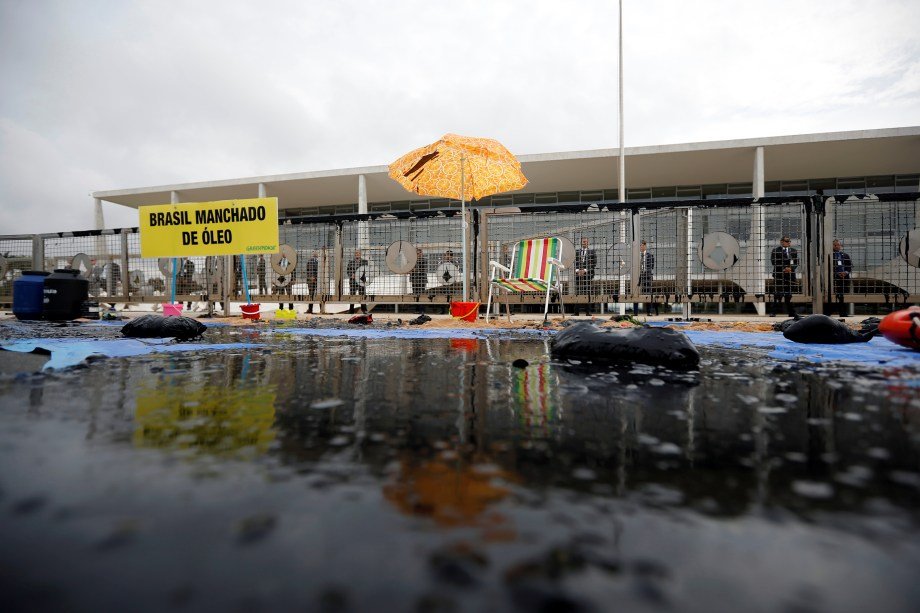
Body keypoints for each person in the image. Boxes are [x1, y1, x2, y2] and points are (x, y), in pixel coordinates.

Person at [770, 236, 798, 317]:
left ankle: (791, 312)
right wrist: (784, 268)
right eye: (786, 241)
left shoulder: (793, 251)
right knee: (777, 294)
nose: (788, 242)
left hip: (790, 276)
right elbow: (774, 262)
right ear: (781, 242)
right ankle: (773, 312)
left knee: (788, 295)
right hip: (779, 275)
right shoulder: (776, 251)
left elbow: (795, 262)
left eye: (789, 241)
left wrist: (790, 268)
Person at [574, 237, 597, 315]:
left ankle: (588, 312)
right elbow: (574, 262)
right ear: (581, 243)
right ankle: (576, 312)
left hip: (588, 275)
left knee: (588, 292)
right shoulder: (577, 252)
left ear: (588, 243)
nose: (584, 243)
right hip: (578, 275)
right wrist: (577, 271)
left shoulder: (592, 252)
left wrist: (585, 270)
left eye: (586, 241)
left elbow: (594, 263)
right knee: (578, 292)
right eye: (583, 242)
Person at [634, 240, 657, 316]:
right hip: (639, 276)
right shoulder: (636, 256)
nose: (641, 247)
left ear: (645, 246)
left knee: (648, 293)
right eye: (640, 245)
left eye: (642, 245)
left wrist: (646, 272)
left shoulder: (650, 255)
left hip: (647, 276)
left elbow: (652, 266)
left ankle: (649, 312)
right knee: (636, 292)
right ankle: (635, 312)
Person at [831, 239, 853, 317]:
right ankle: (835, 312)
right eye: (835, 245)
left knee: (843, 295)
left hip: (844, 278)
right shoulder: (830, 255)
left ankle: (844, 313)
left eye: (838, 245)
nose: (837, 246)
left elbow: (849, 266)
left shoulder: (845, 255)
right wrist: (837, 273)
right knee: (836, 295)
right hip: (834, 278)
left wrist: (845, 273)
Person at [346, 249, 368, 314]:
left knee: (362, 295)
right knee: (352, 295)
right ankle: (351, 310)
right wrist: (351, 275)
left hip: (361, 281)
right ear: (354, 254)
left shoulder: (365, 262)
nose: (357, 254)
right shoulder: (350, 262)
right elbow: (348, 271)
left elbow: (366, 270)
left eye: (358, 253)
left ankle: (364, 310)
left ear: (360, 254)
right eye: (356, 253)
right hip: (353, 281)